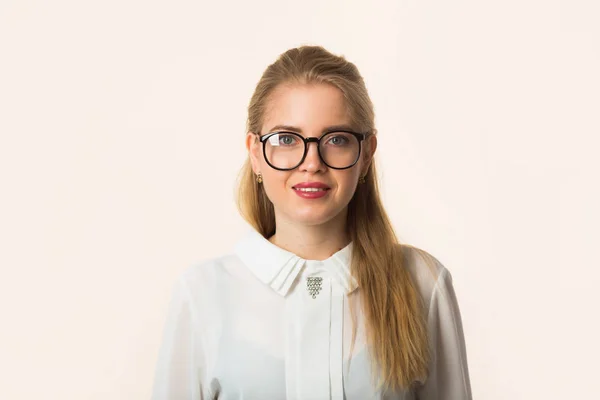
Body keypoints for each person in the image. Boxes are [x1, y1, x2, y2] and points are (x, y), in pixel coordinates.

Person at [150, 45, 472, 400]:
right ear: (256, 153)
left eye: (336, 139)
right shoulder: (202, 294)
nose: (312, 162)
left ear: (366, 154)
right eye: (287, 139)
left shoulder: (423, 281)